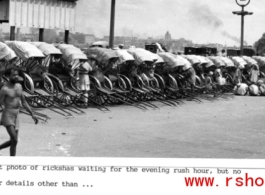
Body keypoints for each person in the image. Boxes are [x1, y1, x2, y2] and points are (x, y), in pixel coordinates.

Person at [0, 67, 38, 156]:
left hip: (16, 115)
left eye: (17, 74)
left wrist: (32, 114)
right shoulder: (4, 89)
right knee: (15, 139)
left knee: (14, 142)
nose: (16, 76)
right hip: (7, 115)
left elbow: (24, 102)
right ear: (8, 76)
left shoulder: (19, 86)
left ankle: (13, 162)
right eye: (13, 75)